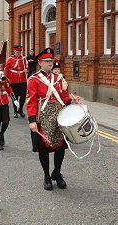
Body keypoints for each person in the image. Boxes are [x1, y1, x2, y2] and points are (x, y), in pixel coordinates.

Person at [27, 48, 73, 191]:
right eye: (47, 61)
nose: (50, 63)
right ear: (40, 63)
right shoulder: (34, 79)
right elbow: (32, 100)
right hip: (43, 116)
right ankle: (47, 175)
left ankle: (57, 172)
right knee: (44, 148)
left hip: (58, 115)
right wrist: (32, 120)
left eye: (51, 61)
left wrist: (69, 96)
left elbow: (63, 99)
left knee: (60, 147)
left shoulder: (59, 78)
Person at [5, 45, 28, 118]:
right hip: (13, 79)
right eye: (17, 51)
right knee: (14, 96)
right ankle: (15, 110)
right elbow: (7, 69)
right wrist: (6, 79)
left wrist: (27, 70)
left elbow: (27, 67)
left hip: (22, 79)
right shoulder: (10, 59)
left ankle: (20, 109)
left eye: (20, 51)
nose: (18, 53)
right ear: (14, 51)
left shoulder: (24, 59)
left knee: (23, 96)